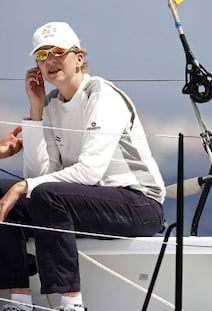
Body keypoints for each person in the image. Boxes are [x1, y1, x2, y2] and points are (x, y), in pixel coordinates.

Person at [0, 22, 165, 311]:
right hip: (81, 203)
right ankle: (19, 299)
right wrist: (36, 112)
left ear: (79, 58)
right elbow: (40, 176)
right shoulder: (50, 104)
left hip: (139, 204)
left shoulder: (102, 95)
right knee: (6, 192)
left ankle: (71, 304)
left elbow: (89, 172)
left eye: (59, 52)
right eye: (42, 55)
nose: (50, 60)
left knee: (46, 194)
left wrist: (25, 187)